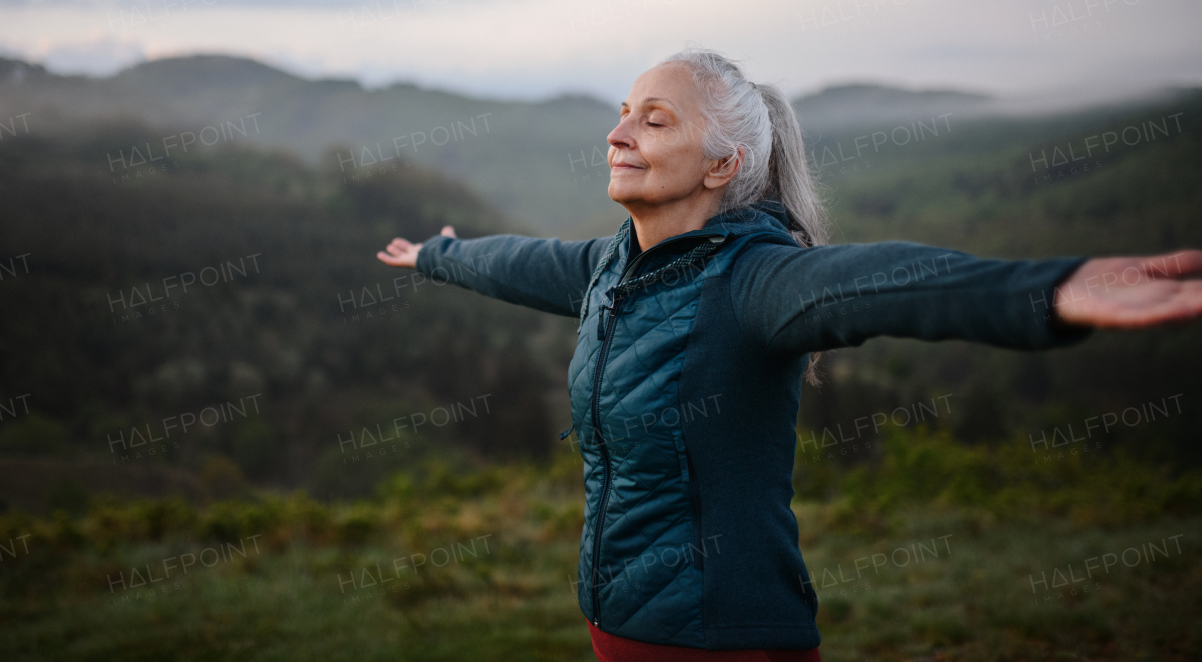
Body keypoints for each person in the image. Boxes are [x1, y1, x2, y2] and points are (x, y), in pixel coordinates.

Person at [377, 49, 1201, 661]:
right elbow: (517, 262)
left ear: (724, 165)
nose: (618, 132)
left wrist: (1051, 288)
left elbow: (882, 282)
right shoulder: (607, 269)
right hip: (617, 624)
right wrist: (439, 255)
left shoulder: (754, 280)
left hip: (725, 637)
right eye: (624, 111)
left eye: (654, 120)